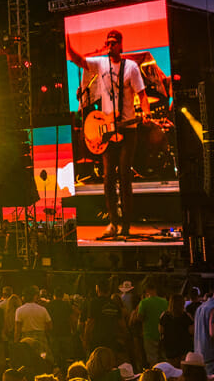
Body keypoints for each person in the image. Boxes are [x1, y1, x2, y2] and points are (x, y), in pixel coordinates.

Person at [66, 28, 149, 237]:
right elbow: (79, 60)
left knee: (124, 176)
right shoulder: (101, 64)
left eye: (113, 42)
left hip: (127, 129)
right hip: (108, 130)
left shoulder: (131, 68)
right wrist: (68, 46)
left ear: (121, 45)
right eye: (108, 42)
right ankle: (113, 223)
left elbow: (143, 94)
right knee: (108, 179)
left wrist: (146, 112)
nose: (110, 45)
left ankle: (126, 225)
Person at [135, 284, 167, 367]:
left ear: (147, 290)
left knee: (152, 361)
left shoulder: (144, 302)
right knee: (163, 360)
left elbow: (139, 318)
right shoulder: (165, 302)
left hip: (149, 334)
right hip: (163, 334)